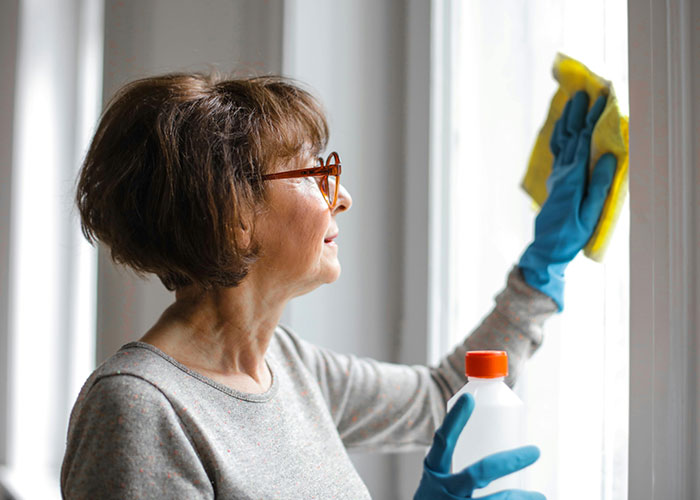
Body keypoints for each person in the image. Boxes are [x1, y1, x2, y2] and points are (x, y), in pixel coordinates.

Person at [61, 73, 615, 499]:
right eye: (310, 173)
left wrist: (542, 266)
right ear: (232, 213)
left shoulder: (291, 367)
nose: (342, 195)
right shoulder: (138, 408)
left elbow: (443, 397)